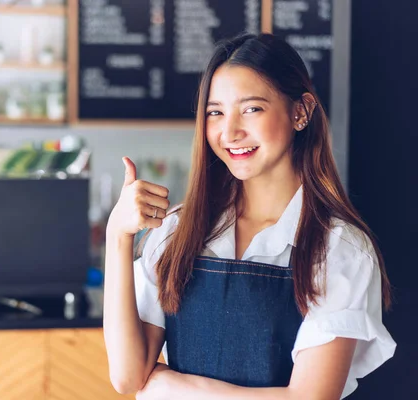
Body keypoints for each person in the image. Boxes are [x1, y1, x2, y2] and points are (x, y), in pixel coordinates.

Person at [103, 33, 396, 399]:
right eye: (215, 112)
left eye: (252, 108)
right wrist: (118, 237)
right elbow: (128, 377)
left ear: (300, 112)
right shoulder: (176, 232)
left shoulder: (339, 249)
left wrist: (170, 387)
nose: (230, 132)